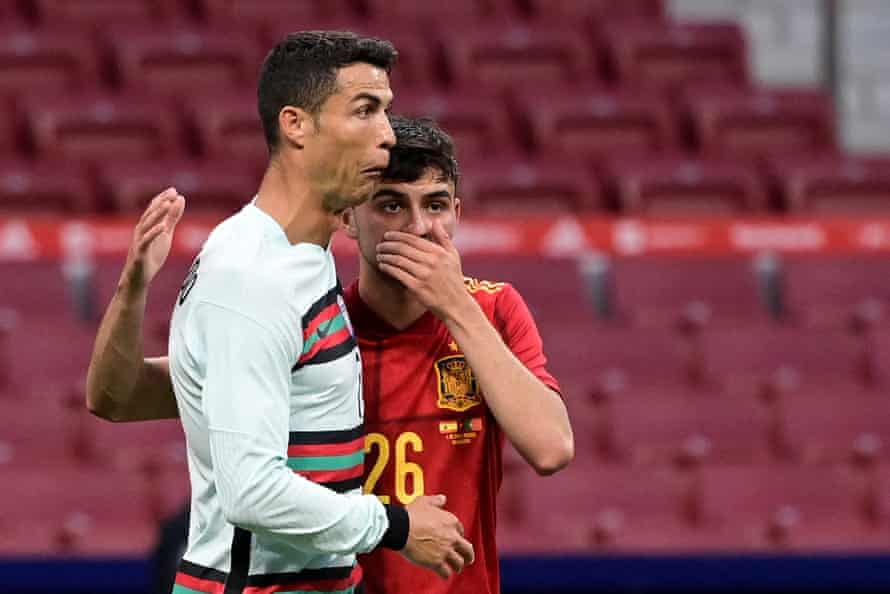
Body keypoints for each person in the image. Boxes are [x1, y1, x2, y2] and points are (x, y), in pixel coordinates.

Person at [88, 116, 573, 594]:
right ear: (349, 218)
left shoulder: (494, 310)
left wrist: (454, 308)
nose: (420, 227)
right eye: (390, 205)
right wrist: (131, 290)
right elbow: (120, 397)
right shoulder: (310, 327)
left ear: (457, 215)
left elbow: (551, 448)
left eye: (436, 205)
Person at [86, 31, 474, 594]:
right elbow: (251, 490)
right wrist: (395, 525)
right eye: (365, 111)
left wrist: (131, 291)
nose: (387, 136)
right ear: (296, 124)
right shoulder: (252, 277)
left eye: (385, 112)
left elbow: (121, 396)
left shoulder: (294, 259)